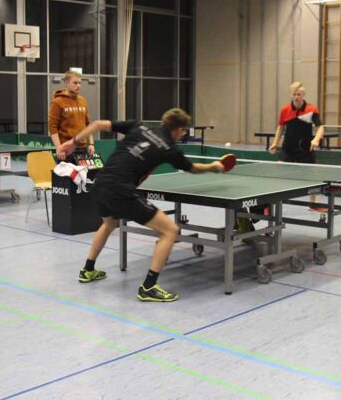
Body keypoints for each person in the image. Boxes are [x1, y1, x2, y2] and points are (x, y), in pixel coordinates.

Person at [58, 108, 224, 302]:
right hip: (121, 190)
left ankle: (88, 270)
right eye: (184, 131)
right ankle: (149, 287)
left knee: (109, 223)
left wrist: (73, 142)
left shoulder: (140, 126)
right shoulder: (169, 148)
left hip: (100, 183)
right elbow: (193, 168)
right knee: (170, 230)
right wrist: (213, 166)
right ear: (178, 129)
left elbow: (97, 124)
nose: (183, 134)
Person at [268, 81, 325, 210]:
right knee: (279, 171)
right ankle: (275, 201)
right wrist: (275, 143)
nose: (296, 97)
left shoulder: (311, 109)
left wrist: (316, 139)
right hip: (288, 148)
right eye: (294, 94)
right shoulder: (285, 110)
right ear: (291, 95)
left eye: (299, 94)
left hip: (305, 149)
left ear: (303, 94)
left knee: (312, 176)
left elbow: (320, 127)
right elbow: (280, 127)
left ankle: (313, 203)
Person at [49, 70, 95, 162]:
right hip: (66, 149)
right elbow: (53, 127)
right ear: (66, 83)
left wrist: (91, 144)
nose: (78, 85)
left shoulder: (83, 101)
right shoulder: (57, 102)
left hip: (83, 148)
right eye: (75, 83)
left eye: (80, 83)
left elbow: (88, 124)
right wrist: (59, 148)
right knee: (67, 172)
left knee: (87, 172)